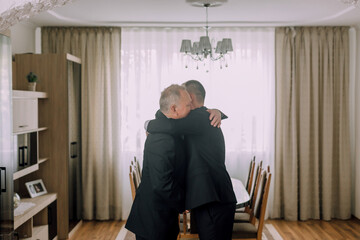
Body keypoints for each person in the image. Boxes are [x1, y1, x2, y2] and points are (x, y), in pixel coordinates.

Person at [147, 80, 236, 240]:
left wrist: (147, 125)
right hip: (210, 198)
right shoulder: (199, 118)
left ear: (191, 98)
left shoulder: (201, 117)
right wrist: (218, 111)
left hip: (214, 199)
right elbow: (167, 112)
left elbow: (169, 125)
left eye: (185, 98)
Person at [125, 84, 191, 240]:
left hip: (162, 216)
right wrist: (185, 202)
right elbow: (162, 183)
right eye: (188, 105)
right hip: (154, 221)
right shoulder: (161, 138)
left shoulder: (165, 130)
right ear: (174, 109)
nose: (191, 109)